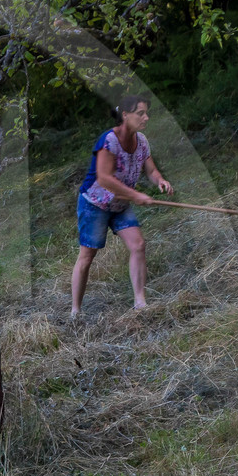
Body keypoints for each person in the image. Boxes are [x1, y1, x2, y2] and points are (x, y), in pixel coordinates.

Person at [70, 95, 173, 317]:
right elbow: (104, 178)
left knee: (138, 245)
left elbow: (151, 170)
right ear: (125, 115)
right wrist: (135, 195)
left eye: (147, 113)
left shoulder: (142, 141)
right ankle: (75, 311)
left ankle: (140, 302)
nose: (146, 118)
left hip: (120, 204)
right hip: (95, 204)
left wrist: (160, 180)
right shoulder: (109, 141)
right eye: (140, 113)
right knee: (87, 257)